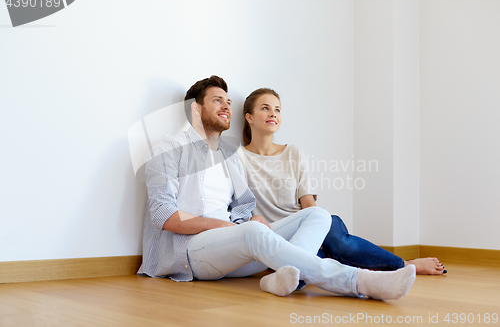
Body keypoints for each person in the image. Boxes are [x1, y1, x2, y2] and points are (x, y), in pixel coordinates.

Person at [137, 75, 417, 300]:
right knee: (253, 232)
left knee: (318, 216)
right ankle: (360, 281)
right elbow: (164, 216)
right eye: (217, 100)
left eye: (228, 101)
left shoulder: (228, 157)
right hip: (191, 254)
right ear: (195, 109)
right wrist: (225, 227)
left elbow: (242, 212)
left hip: (233, 251)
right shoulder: (169, 149)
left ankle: (281, 278)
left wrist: (251, 219)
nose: (226, 106)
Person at [238, 88, 446, 275]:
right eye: (265, 108)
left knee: (340, 244)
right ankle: (369, 274)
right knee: (316, 265)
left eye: (278, 109)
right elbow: (241, 210)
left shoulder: (293, 153)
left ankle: (406, 265)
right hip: (279, 237)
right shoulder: (238, 158)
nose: (273, 113)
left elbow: (309, 205)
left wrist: (313, 234)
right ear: (249, 117)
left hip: (310, 225)